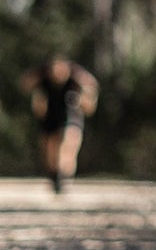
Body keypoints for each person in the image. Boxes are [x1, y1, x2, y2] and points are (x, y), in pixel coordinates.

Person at [21, 56, 99, 193]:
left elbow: (92, 84)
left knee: (67, 146)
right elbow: (25, 83)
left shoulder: (75, 80)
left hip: (71, 119)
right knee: (50, 151)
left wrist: (81, 80)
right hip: (50, 119)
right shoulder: (44, 80)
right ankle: (54, 176)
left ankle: (63, 176)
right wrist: (39, 73)